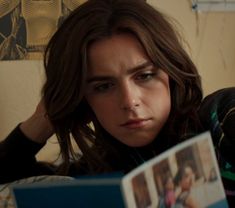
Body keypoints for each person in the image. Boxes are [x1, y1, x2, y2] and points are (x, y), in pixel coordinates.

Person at [0, 0, 234, 206]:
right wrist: (43, 120)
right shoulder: (102, 169)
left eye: (145, 76)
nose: (130, 101)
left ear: (172, 73)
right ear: (82, 99)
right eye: (103, 86)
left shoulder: (223, 116)